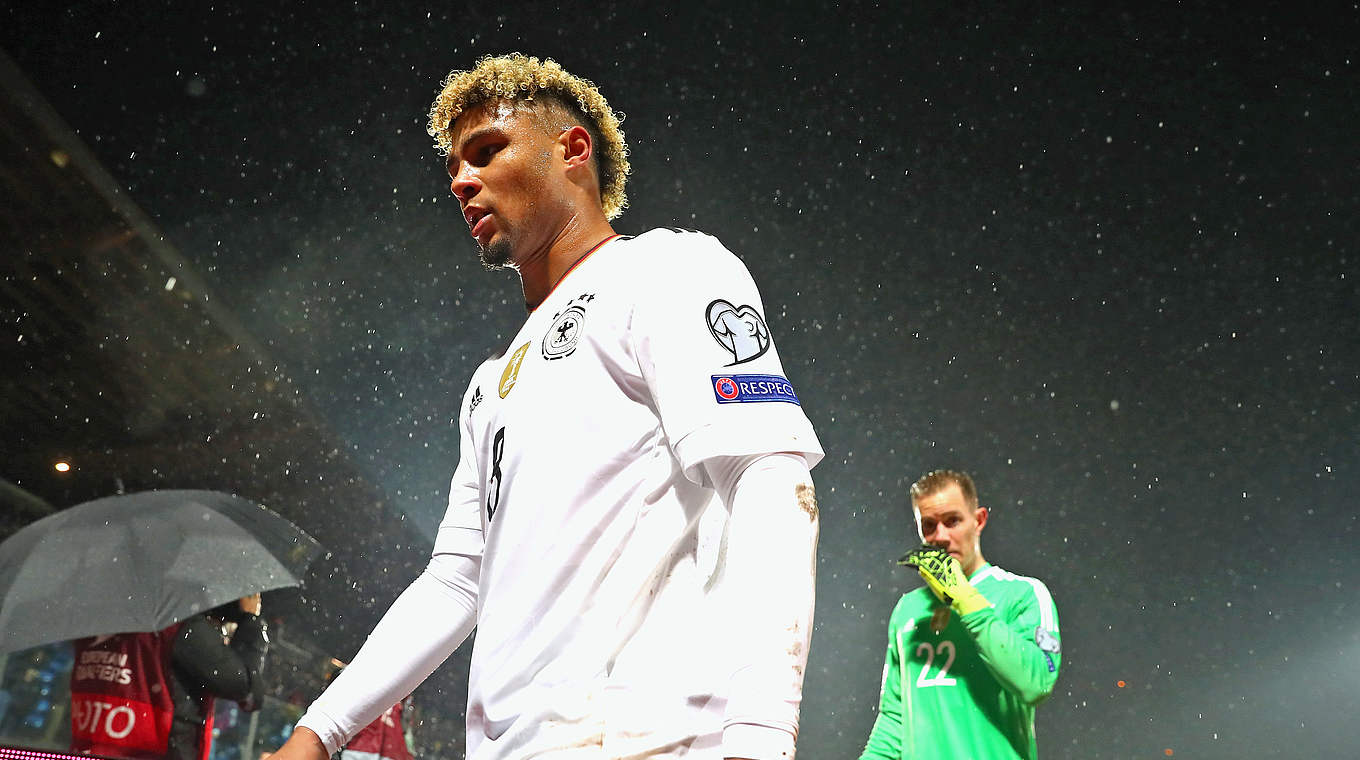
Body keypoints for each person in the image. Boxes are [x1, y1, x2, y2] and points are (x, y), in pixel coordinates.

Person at [268, 53, 823, 760]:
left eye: (487, 151)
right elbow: (455, 580)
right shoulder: (489, 384)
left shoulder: (666, 270)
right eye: (453, 168)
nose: (462, 181)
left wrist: (762, 735)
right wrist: (318, 734)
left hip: (649, 741)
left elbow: (769, 479)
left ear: (572, 150)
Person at [858, 470, 1061, 760]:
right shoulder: (907, 610)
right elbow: (895, 721)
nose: (940, 536)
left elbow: (1037, 682)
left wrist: (966, 600)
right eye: (928, 525)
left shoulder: (1023, 593)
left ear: (979, 520)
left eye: (952, 521)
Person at [70, 594, 270, 760]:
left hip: (87, 751)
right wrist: (250, 620)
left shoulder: (96, 621)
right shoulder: (175, 624)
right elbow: (245, 688)